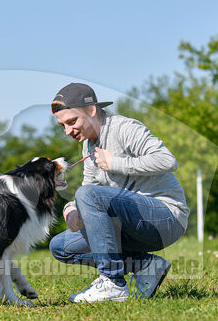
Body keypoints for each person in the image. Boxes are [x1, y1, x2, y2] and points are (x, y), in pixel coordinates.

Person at [49, 83, 189, 303]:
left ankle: (113, 283)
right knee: (61, 246)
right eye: (62, 126)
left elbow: (168, 160)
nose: (68, 131)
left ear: (91, 110)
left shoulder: (124, 128)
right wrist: (71, 209)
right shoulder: (87, 146)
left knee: (88, 195)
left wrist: (117, 163)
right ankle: (146, 265)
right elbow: (88, 186)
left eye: (72, 122)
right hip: (133, 226)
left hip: (166, 217)